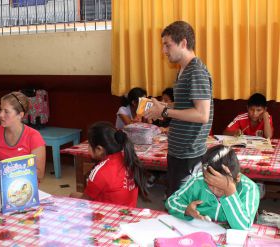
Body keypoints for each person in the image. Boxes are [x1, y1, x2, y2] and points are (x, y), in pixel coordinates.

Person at [145, 21, 213, 196]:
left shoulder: (196, 71)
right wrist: (164, 106)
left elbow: (202, 114)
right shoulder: (183, 70)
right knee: (174, 198)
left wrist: (165, 112)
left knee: (185, 204)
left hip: (189, 154)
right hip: (178, 150)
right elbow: (187, 105)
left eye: (167, 45)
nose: (164, 51)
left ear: (183, 43)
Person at [165, 145, 260, 230]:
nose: (215, 191)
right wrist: (186, 210)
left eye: (220, 188)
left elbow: (243, 226)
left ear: (237, 178)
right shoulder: (198, 180)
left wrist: (230, 191)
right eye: (210, 184)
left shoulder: (249, 189)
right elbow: (171, 201)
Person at [70, 122, 149, 207]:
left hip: (107, 215)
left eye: (89, 144)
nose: (87, 147)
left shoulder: (100, 171)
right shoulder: (129, 158)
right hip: (127, 212)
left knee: (72, 195)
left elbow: (85, 201)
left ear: (99, 149)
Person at [0, 91, 46, 179]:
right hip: (2, 186)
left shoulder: (34, 137)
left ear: (20, 115)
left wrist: (11, 169)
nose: (0, 115)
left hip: (25, 188)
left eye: (6, 112)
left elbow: (40, 175)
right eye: (1, 110)